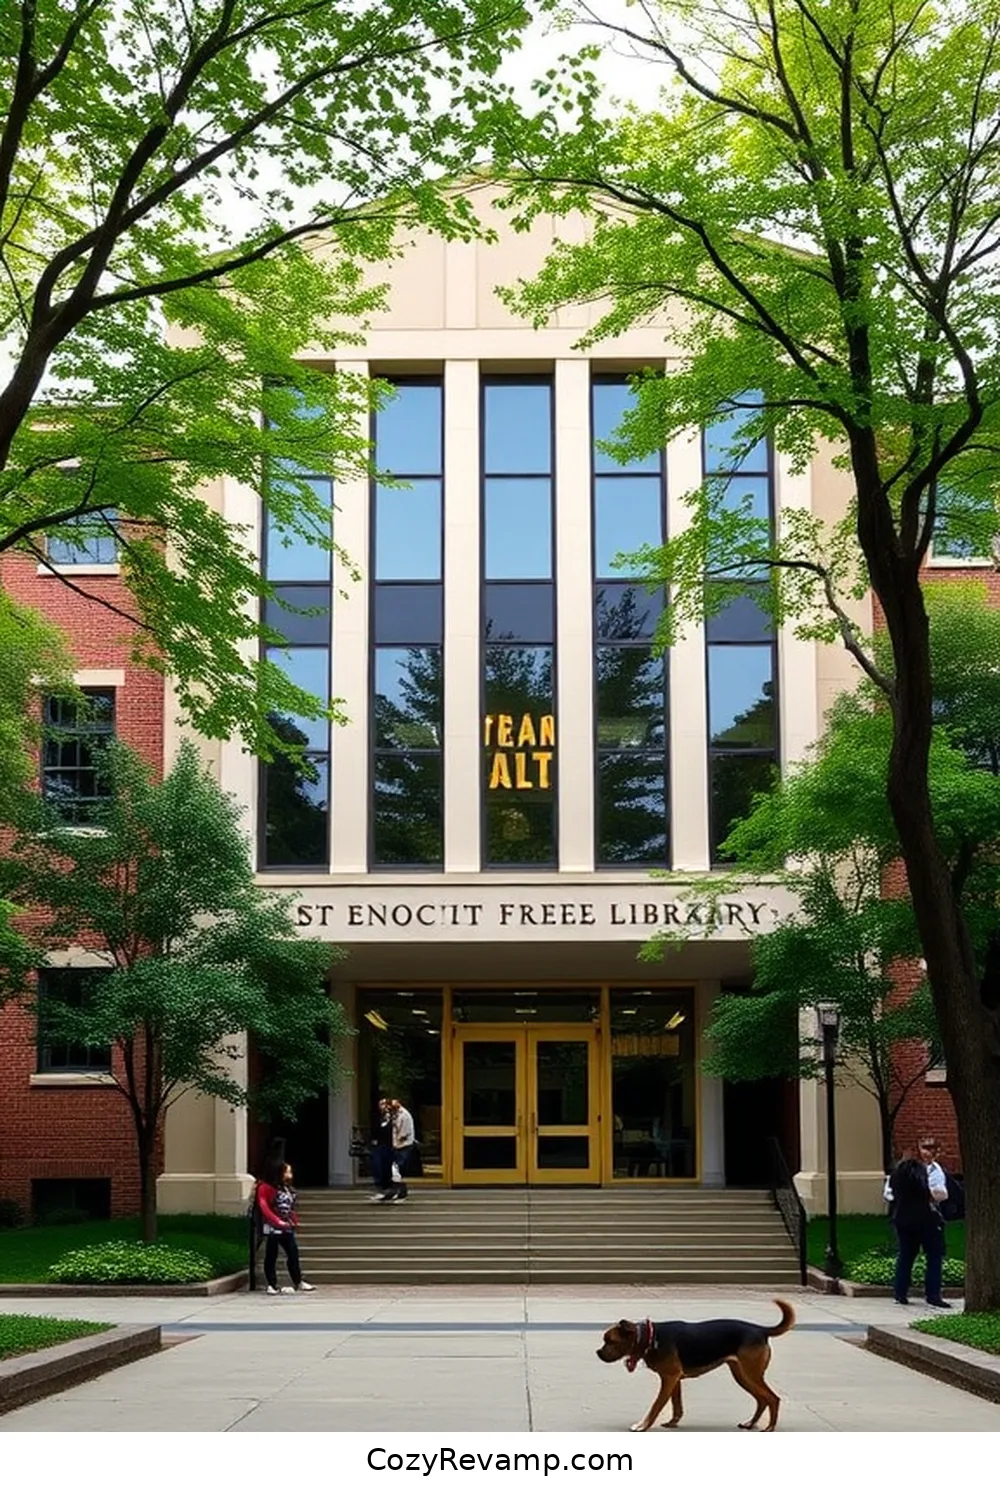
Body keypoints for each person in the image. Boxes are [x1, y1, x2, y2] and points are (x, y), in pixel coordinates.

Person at [883, 1144, 950, 1309]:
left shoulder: (897, 1177)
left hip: (903, 1219)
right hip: (927, 1221)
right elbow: (942, 1194)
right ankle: (933, 1295)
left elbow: (889, 1195)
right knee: (934, 1256)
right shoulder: (923, 1184)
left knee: (905, 1255)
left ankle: (900, 1293)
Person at [256, 1159, 315, 1295]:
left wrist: (294, 1220)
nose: (290, 1175)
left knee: (293, 1253)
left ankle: (298, 1280)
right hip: (272, 1227)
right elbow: (264, 1206)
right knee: (271, 1255)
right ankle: (271, 1284)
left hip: (286, 1226)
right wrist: (276, 1221)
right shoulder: (265, 1187)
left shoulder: (286, 1188)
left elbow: (290, 1208)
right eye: (287, 1172)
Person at [385, 1097, 416, 1202]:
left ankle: (396, 1191)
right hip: (397, 1145)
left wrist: (397, 1141)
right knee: (395, 1169)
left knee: (395, 1168)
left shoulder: (404, 1115)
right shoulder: (395, 1114)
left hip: (403, 1146)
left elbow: (404, 1133)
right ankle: (400, 1191)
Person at [369, 1097, 395, 1203]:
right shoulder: (376, 1117)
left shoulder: (394, 1117)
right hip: (379, 1145)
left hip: (390, 1145)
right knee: (378, 1165)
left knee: (388, 1166)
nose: (383, 1106)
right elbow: (374, 1129)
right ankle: (380, 1187)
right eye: (381, 1104)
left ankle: (388, 1187)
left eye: (385, 1104)